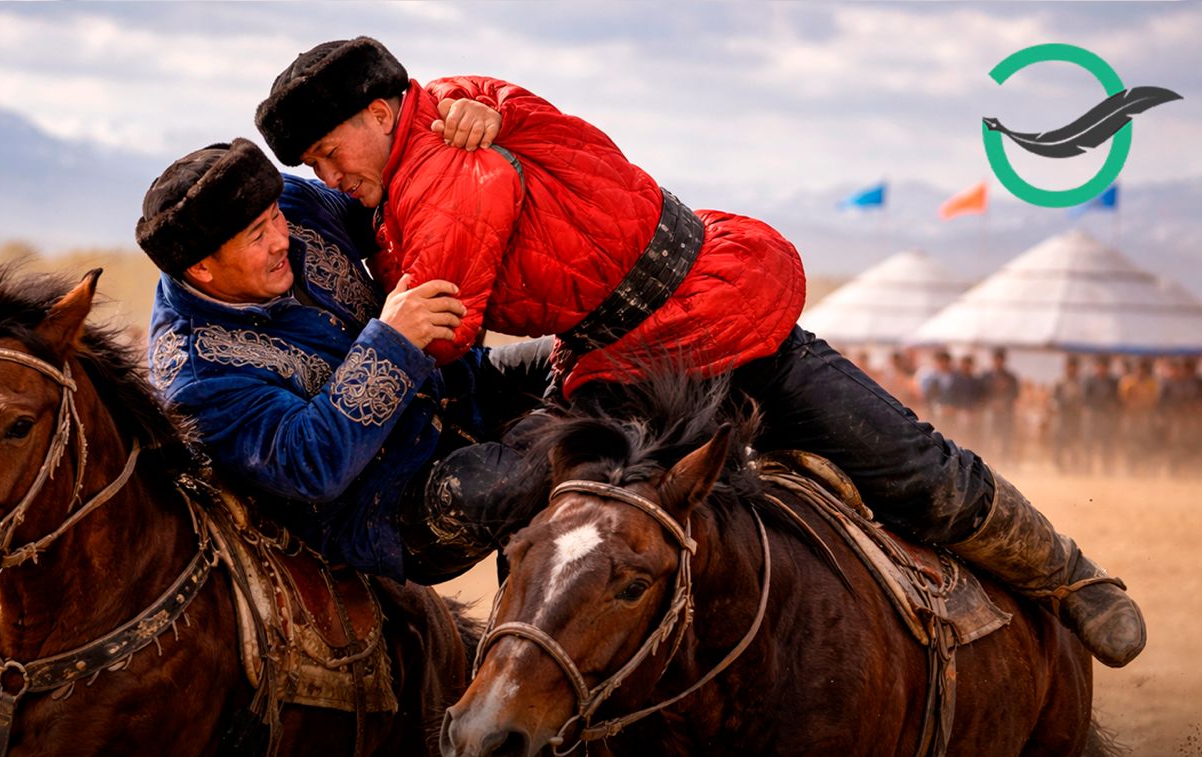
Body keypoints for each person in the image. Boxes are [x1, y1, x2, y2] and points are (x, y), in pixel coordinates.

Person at [252, 36, 1145, 667]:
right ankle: (546, 701)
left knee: (896, 464)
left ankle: (1069, 581)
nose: (329, 177)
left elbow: (443, 333)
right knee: (584, 537)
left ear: (383, 112)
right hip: (638, 349)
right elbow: (495, 107)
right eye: (315, 167)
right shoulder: (445, 120)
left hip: (705, 316)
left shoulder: (441, 169)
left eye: (330, 153)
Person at [137, 136, 549, 584]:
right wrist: (392, 341)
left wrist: (466, 120)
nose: (280, 239)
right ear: (201, 268)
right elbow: (312, 464)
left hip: (457, 386)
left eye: (274, 216)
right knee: (520, 472)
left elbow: (386, 205)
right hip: (385, 507)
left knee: (583, 359)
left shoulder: (290, 204)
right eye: (258, 236)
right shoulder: (196, 376)